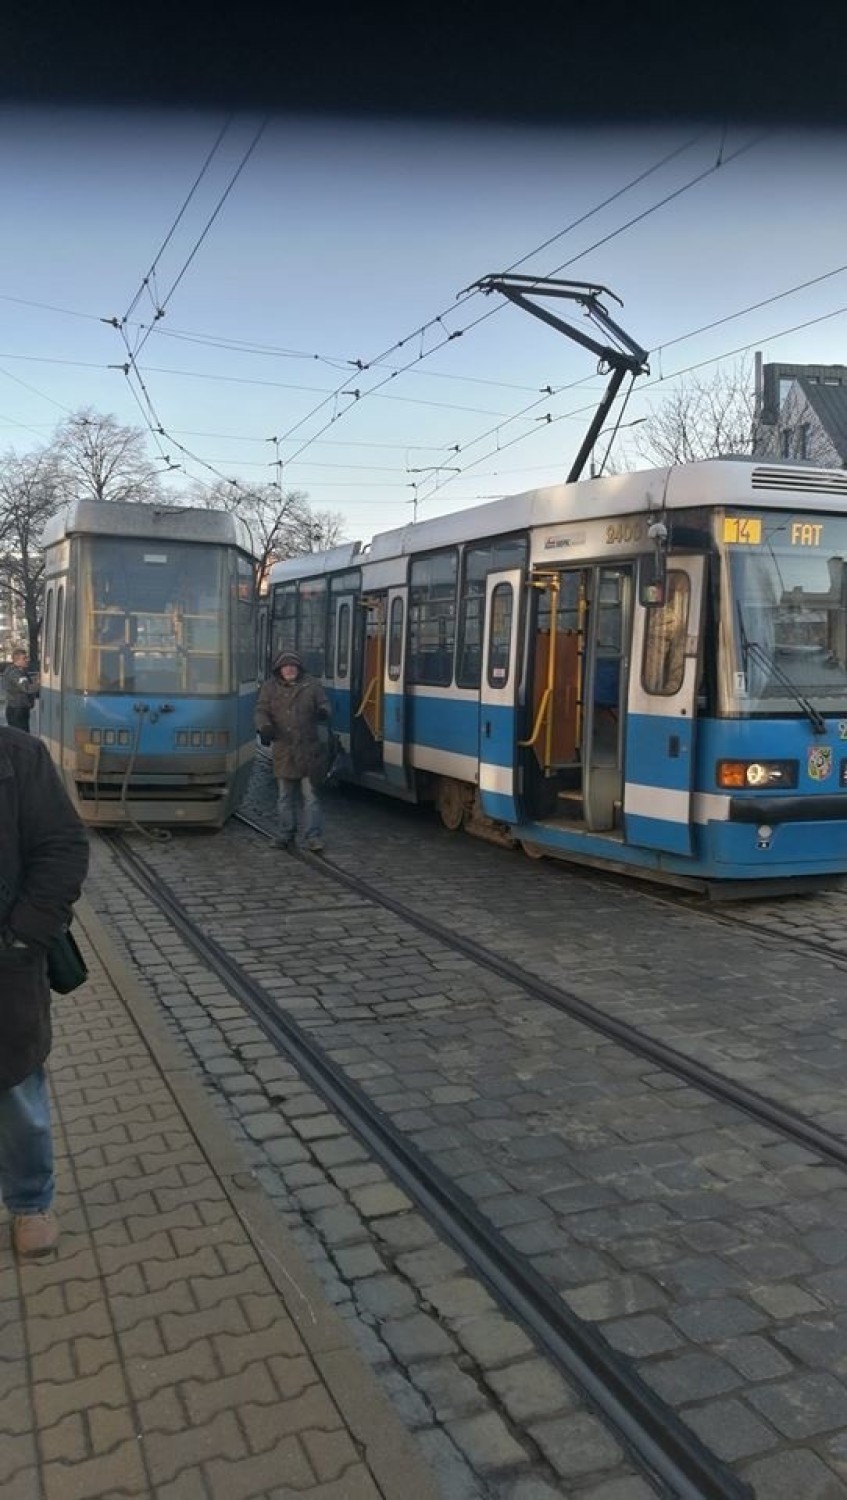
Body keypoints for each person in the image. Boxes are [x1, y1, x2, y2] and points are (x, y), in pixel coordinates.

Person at [0, 727, 89, 1257]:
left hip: (6, 961)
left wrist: (23, 936)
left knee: (16, 1093)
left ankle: (30, 1202)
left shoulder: (17, 756)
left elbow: (61, 848)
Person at [256, 650, 331, 852]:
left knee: (311, 798)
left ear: (298, 668)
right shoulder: (269, 687)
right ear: (279, 669)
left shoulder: (312, 685)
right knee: (284, 798)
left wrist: (323, 712)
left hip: (308, 750)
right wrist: (264, 727)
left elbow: (324, 704)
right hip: (284, 750)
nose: (289, 669)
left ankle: (313, 836)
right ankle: (285, 834)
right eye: (286, 666)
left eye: (293, 666)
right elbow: (261, 710)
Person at [3, 648, 37, 733]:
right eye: (24, 658)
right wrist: (40, 683)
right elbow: (26, 688)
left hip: (20, 709)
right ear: (17, 660)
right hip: (17, 710)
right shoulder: (15, 673)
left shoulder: (21, 671)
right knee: (21, 738)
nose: (27, 660)